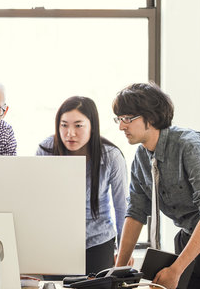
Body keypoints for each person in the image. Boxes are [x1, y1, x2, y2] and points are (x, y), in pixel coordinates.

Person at [113, 82, 200, 289]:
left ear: (150, 117)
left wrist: (177, 269)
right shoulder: (141, 157)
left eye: (127, 119)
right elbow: (136, 212)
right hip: (190, 240)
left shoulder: (189, 146)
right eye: (119, 119)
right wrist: (118, 272)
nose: (121, 126)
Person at [36, 96, 127, 275]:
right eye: (64, 125)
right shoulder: (46, 149)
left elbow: (122, 206)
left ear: (92, 126)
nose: (70, 133)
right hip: (57, 239)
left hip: (98, 239)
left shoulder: (111, 156)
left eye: (78, 125)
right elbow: (37, 199)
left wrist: (124, 250)